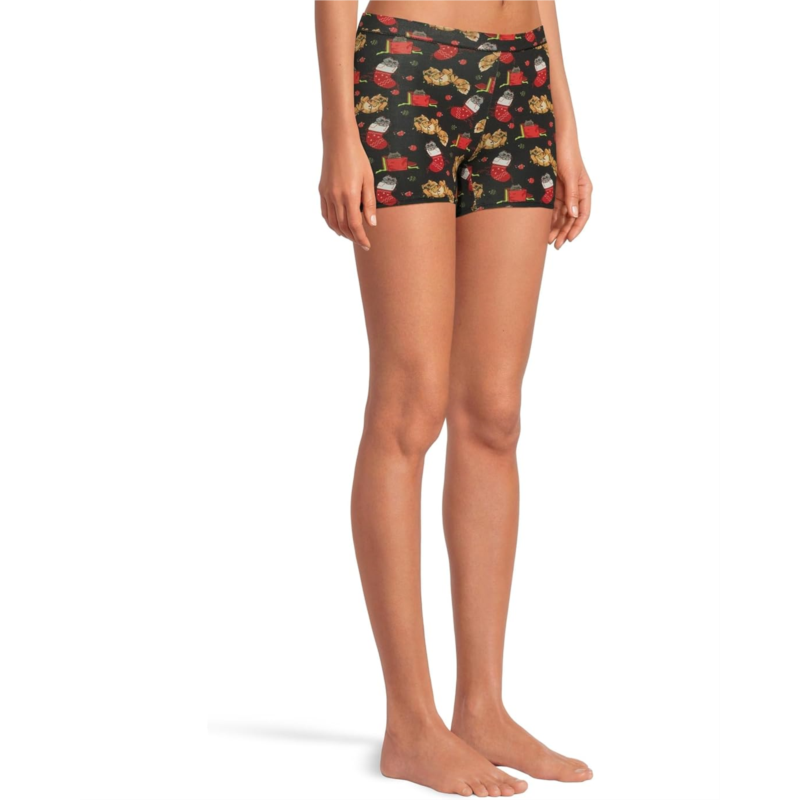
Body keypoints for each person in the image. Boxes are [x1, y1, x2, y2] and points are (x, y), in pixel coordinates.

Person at [315, 1, 593, 796]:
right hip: (406, 69)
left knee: (495, 414)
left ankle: (481, 709)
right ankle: (410, 724)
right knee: (410, 407)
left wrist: (565, 120)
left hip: (521, 76)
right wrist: (338, 129)